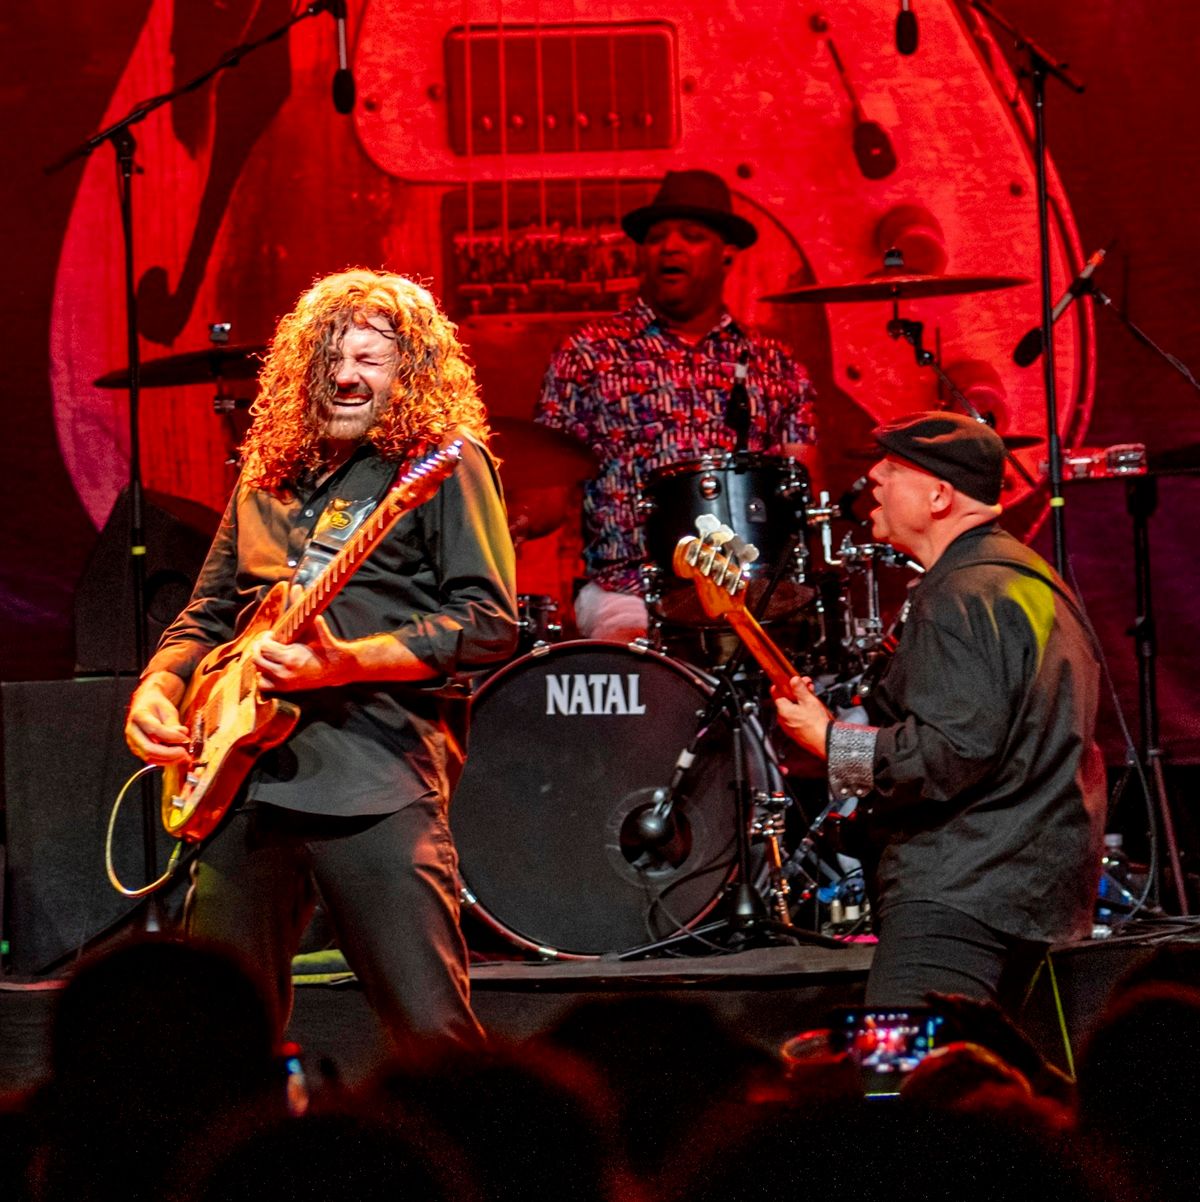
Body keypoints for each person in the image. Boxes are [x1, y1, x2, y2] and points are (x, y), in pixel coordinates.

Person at [124, 269, 519, 1053]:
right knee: (215, 1043)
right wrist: (156, 688)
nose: (345, 375)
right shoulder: (266, 472)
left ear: (410, 371)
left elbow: (487, 624)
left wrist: (345, 663)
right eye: (331, 358)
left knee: (432, 1040)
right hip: (240, 784)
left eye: (370, 359)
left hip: (371, 776)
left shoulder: (441, 463)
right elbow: (207, 613)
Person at [772, 411, 1106, 1011]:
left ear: (939, 496)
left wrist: (830, 742)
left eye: (893, 468)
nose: (873, 478)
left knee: (902, 1065)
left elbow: (949, 754)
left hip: (960, 895)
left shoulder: (960, 594)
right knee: (976, 1071)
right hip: (1024, 888)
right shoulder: (1026, 578)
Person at [535, 168, 818, 642]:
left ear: (727, 251)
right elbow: (545, 487)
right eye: (656, 238)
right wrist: (509, 516)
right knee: (634, 670)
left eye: (691, 236)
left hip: (752, 590)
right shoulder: (587, 353)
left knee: (796, 665)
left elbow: (803, 490)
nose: (670, 247)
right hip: (627, 590)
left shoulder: (774, 362)